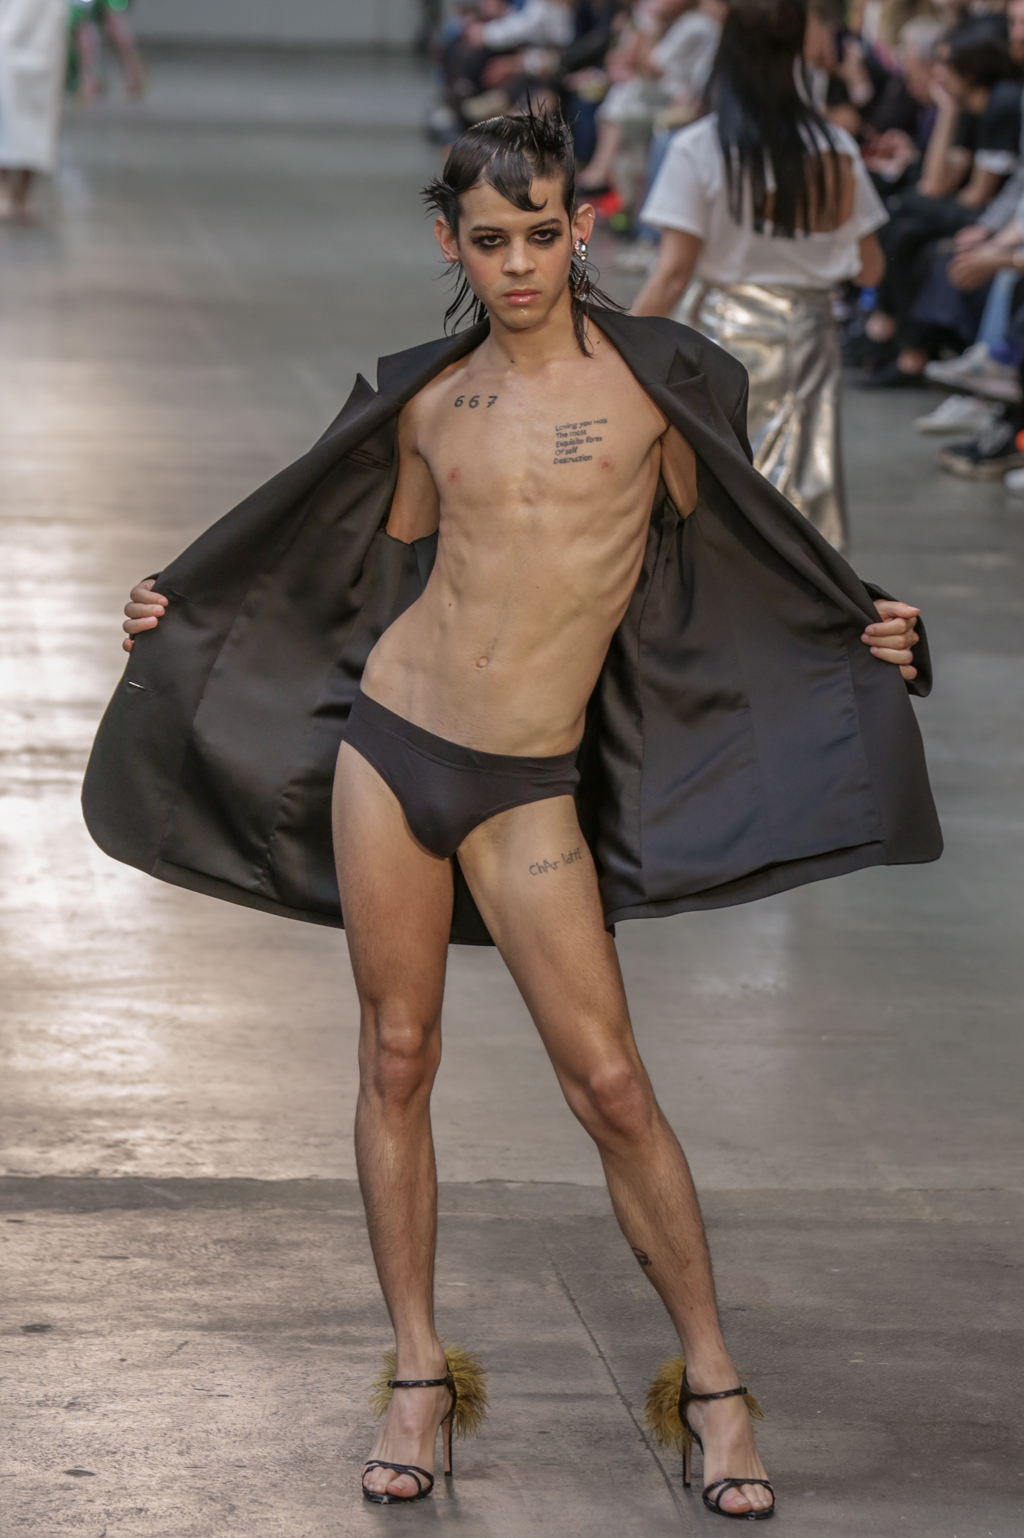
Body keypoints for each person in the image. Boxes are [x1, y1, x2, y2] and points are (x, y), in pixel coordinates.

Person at [86, 108, 940, 1520]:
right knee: (397, 1054)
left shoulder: (659, 388)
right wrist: (187, 623)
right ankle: (418, 1374)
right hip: (390, 749)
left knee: (609, 1082)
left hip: (530, 779)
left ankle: (714, 1382)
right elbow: (343, 572)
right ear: (452, 244)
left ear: (581, 225)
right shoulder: (429, 404)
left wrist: (871, 628)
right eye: (491, 241)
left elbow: (751, 548)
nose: (521, 263)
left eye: (543, 233)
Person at [630, 0, 887, 551]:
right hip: (811, 334)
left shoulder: (701, 146)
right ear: (799, 52)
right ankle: (807, 585)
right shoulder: (835, 148)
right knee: (803, 477)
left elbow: (672, 273)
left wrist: (618, 344)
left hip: (722, 333)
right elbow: (871, 267)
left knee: (721, 476)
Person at [0, 0, 65, 223]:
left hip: (45, 36)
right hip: (9, 32)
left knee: (40, 119)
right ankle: (4, 190)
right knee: (6, 114)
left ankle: (23, 194)